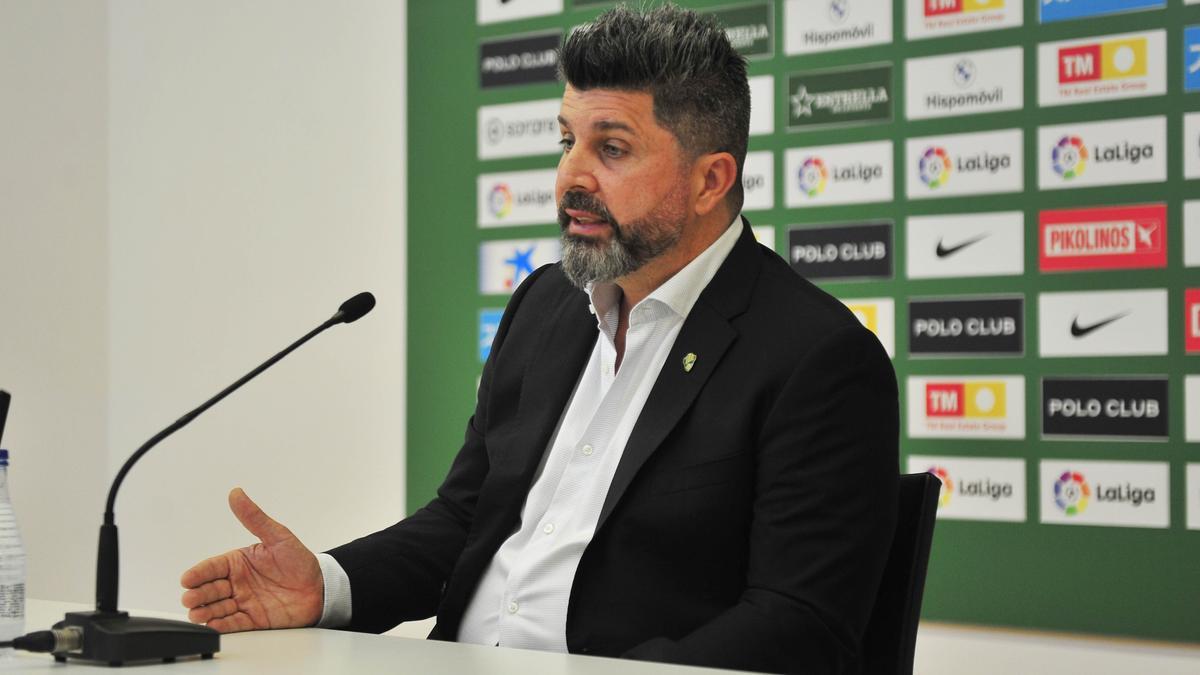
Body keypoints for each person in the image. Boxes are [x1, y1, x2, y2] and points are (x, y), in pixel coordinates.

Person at [180, 5, 898, 674]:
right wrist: (328, 585)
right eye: (567, 141)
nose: (570, 177)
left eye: (611, 148)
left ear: (712, 179)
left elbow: (801, 624)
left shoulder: (815, 357)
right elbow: (468, 517)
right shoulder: (546, 305)